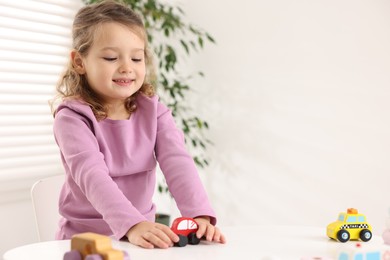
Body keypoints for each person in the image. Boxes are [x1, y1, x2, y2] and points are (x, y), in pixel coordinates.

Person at [51, 0, 225, 249]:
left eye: (136, 58)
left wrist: (199, 214)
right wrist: (131, 224)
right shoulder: (72, 118)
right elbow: (92, 175)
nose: (126, 68)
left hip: (140, 238)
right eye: (111, 57)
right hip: (84, 241)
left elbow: (177, 161)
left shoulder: (152, 109)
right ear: (79, 62)